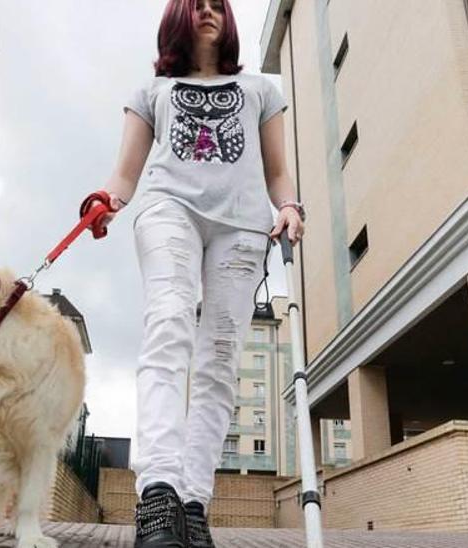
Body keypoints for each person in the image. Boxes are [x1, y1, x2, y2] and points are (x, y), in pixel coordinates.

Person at [92, 0, 303, 546]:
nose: (208, 11)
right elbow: (125, 174)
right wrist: (107, 203)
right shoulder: (150, 91)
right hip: (169, 210)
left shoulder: (260, 90)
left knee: (219, 358)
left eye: (217, 5)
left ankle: (192, 504)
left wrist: (290, 207)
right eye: (197, 5)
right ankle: (157, 495)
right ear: (177, 18)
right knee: (168, 326)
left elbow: (278, 172)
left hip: (243, 225)